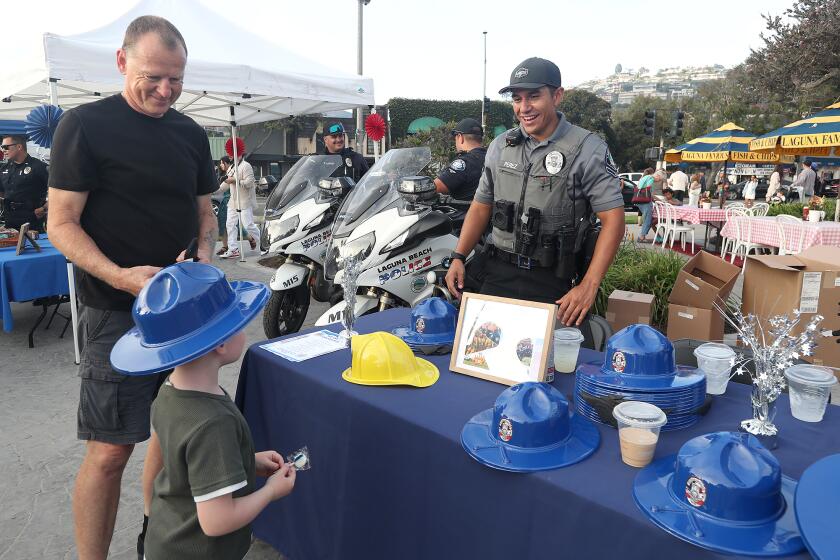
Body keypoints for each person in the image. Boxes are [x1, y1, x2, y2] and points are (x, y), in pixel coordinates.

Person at [46, 16, 217, 560]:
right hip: (115, 311)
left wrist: (205, 267)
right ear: (122, 62)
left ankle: (152, 536)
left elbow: (204, 213)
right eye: (153, 76)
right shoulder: (85, 125)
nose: (165, 90)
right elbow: (61, 224)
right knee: (110, 451)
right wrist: (123, 277)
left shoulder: (190, 133)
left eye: (176, 79)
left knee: (172, 433)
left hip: (183, 311)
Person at [109, 262, 296, 560]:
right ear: (220, 342)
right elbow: (217, 521)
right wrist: (271, 491)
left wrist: (248, 462)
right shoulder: (214, 422)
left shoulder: (170, 391)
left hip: (165, 540)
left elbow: (184, 460)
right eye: (238, 321)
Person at [444, 57, 624, 328]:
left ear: (557, 96)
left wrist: (589, 285)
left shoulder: (588, 148)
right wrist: (459, 256)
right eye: (517, 99)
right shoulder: (500, 146)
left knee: (544, 367)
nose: (524, 108)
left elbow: (614, 219)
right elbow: (481, 206)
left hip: (552, 281)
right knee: (482, 358)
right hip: (497, 273)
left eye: (534, 97)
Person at [0, 135, 49, 231]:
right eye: (2, 147)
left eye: (6, 147)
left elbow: (57, 191)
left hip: (32, 218)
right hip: (10, 219)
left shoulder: (39, 167)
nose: (3, 150)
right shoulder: (4, 168)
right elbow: (1, 192)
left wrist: (44, 208)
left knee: (33, 245)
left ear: (19, 147)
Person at [218, 151, 259, 259]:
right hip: (233, 201)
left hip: (245, 201)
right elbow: (224, 185)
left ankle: (265, 244)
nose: (230, 156)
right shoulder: (232, 168)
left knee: (248, 225)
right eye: (230, 154)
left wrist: (235, 180)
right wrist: (212, 190)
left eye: (232, 154)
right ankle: (233, 249)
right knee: (230, 224)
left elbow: (250, 182)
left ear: (239, 154)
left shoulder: (246, 166)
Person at [433, 118, 487, 201]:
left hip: (464, 211)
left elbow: (435, 187)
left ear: (460, 137)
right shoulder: (490, 157)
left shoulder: (463, 162)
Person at [215, 157, 232, 255]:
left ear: (226, 163)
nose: (221, 165)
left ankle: (251, 239)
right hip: (224, 201)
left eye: (222, 163)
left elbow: (220, 189)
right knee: (222, 224)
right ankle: (225, 246)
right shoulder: (224, 175)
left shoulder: (231, 174)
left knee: (232, 225)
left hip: (230, 201)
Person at [634, 168, 655, 243]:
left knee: (647, 218)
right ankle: (641, 237)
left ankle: (643, 236)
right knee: (648, 219)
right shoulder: (651, 178)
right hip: (646, 201)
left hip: (638, 200)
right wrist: (654, 198)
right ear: (653, 172)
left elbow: (639, 188)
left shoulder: (642, 178)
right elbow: (648, 188)